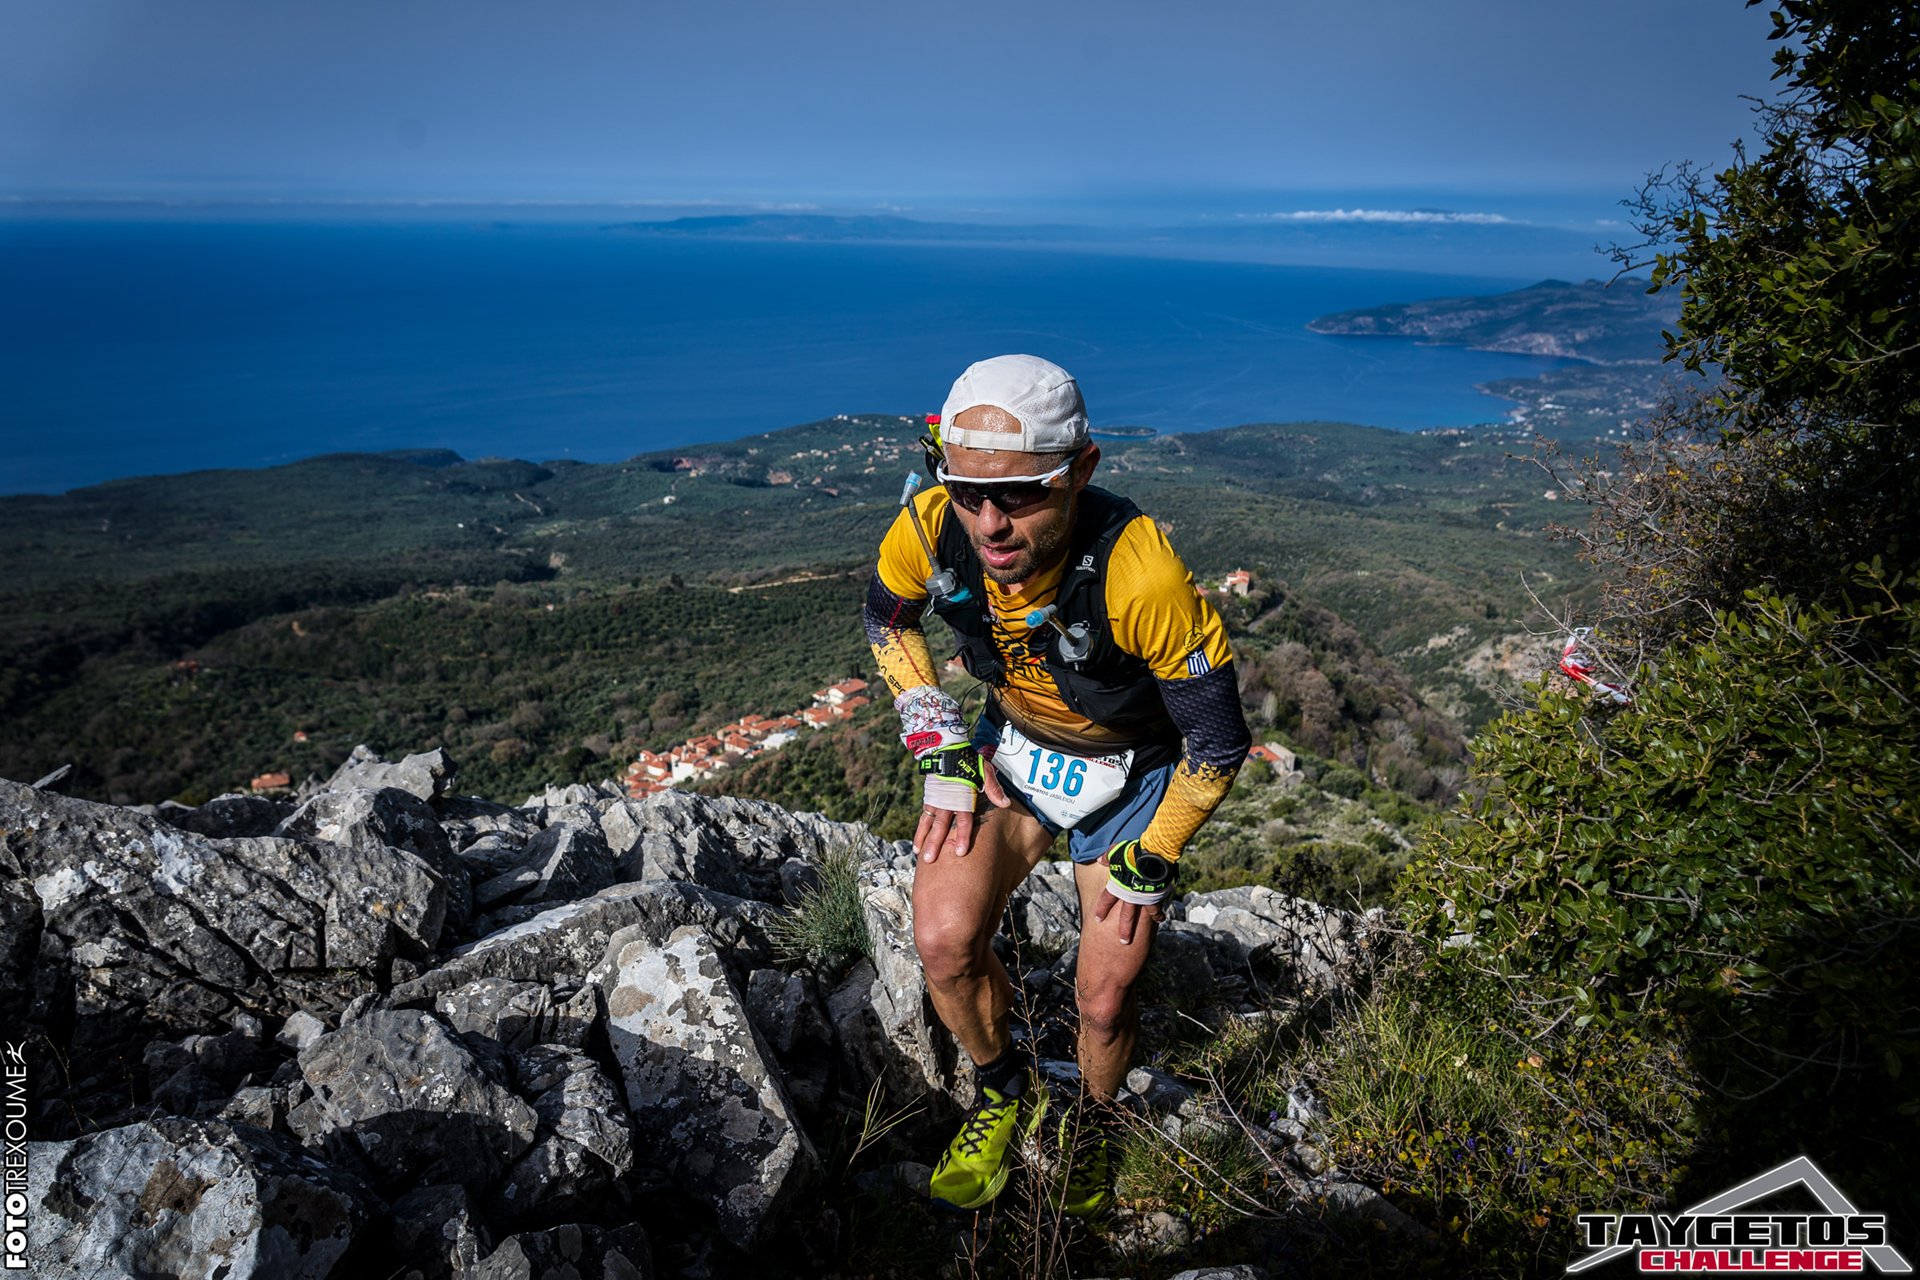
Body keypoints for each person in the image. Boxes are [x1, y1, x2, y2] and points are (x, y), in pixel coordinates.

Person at [865, 354, 1252, 1215]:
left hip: (1134, 772)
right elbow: (885, 618)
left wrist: (1152, 856)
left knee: (1105, 999)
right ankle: (1003, 1087)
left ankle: (1099, 1117)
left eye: (1023, 493)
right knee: (942, 939)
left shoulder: (1138, 573)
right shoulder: (931, 527)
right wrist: (938, 743)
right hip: (1013, 750)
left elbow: (1218, 741)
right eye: (968, 491)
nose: (991, 523)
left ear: (1081, 471)